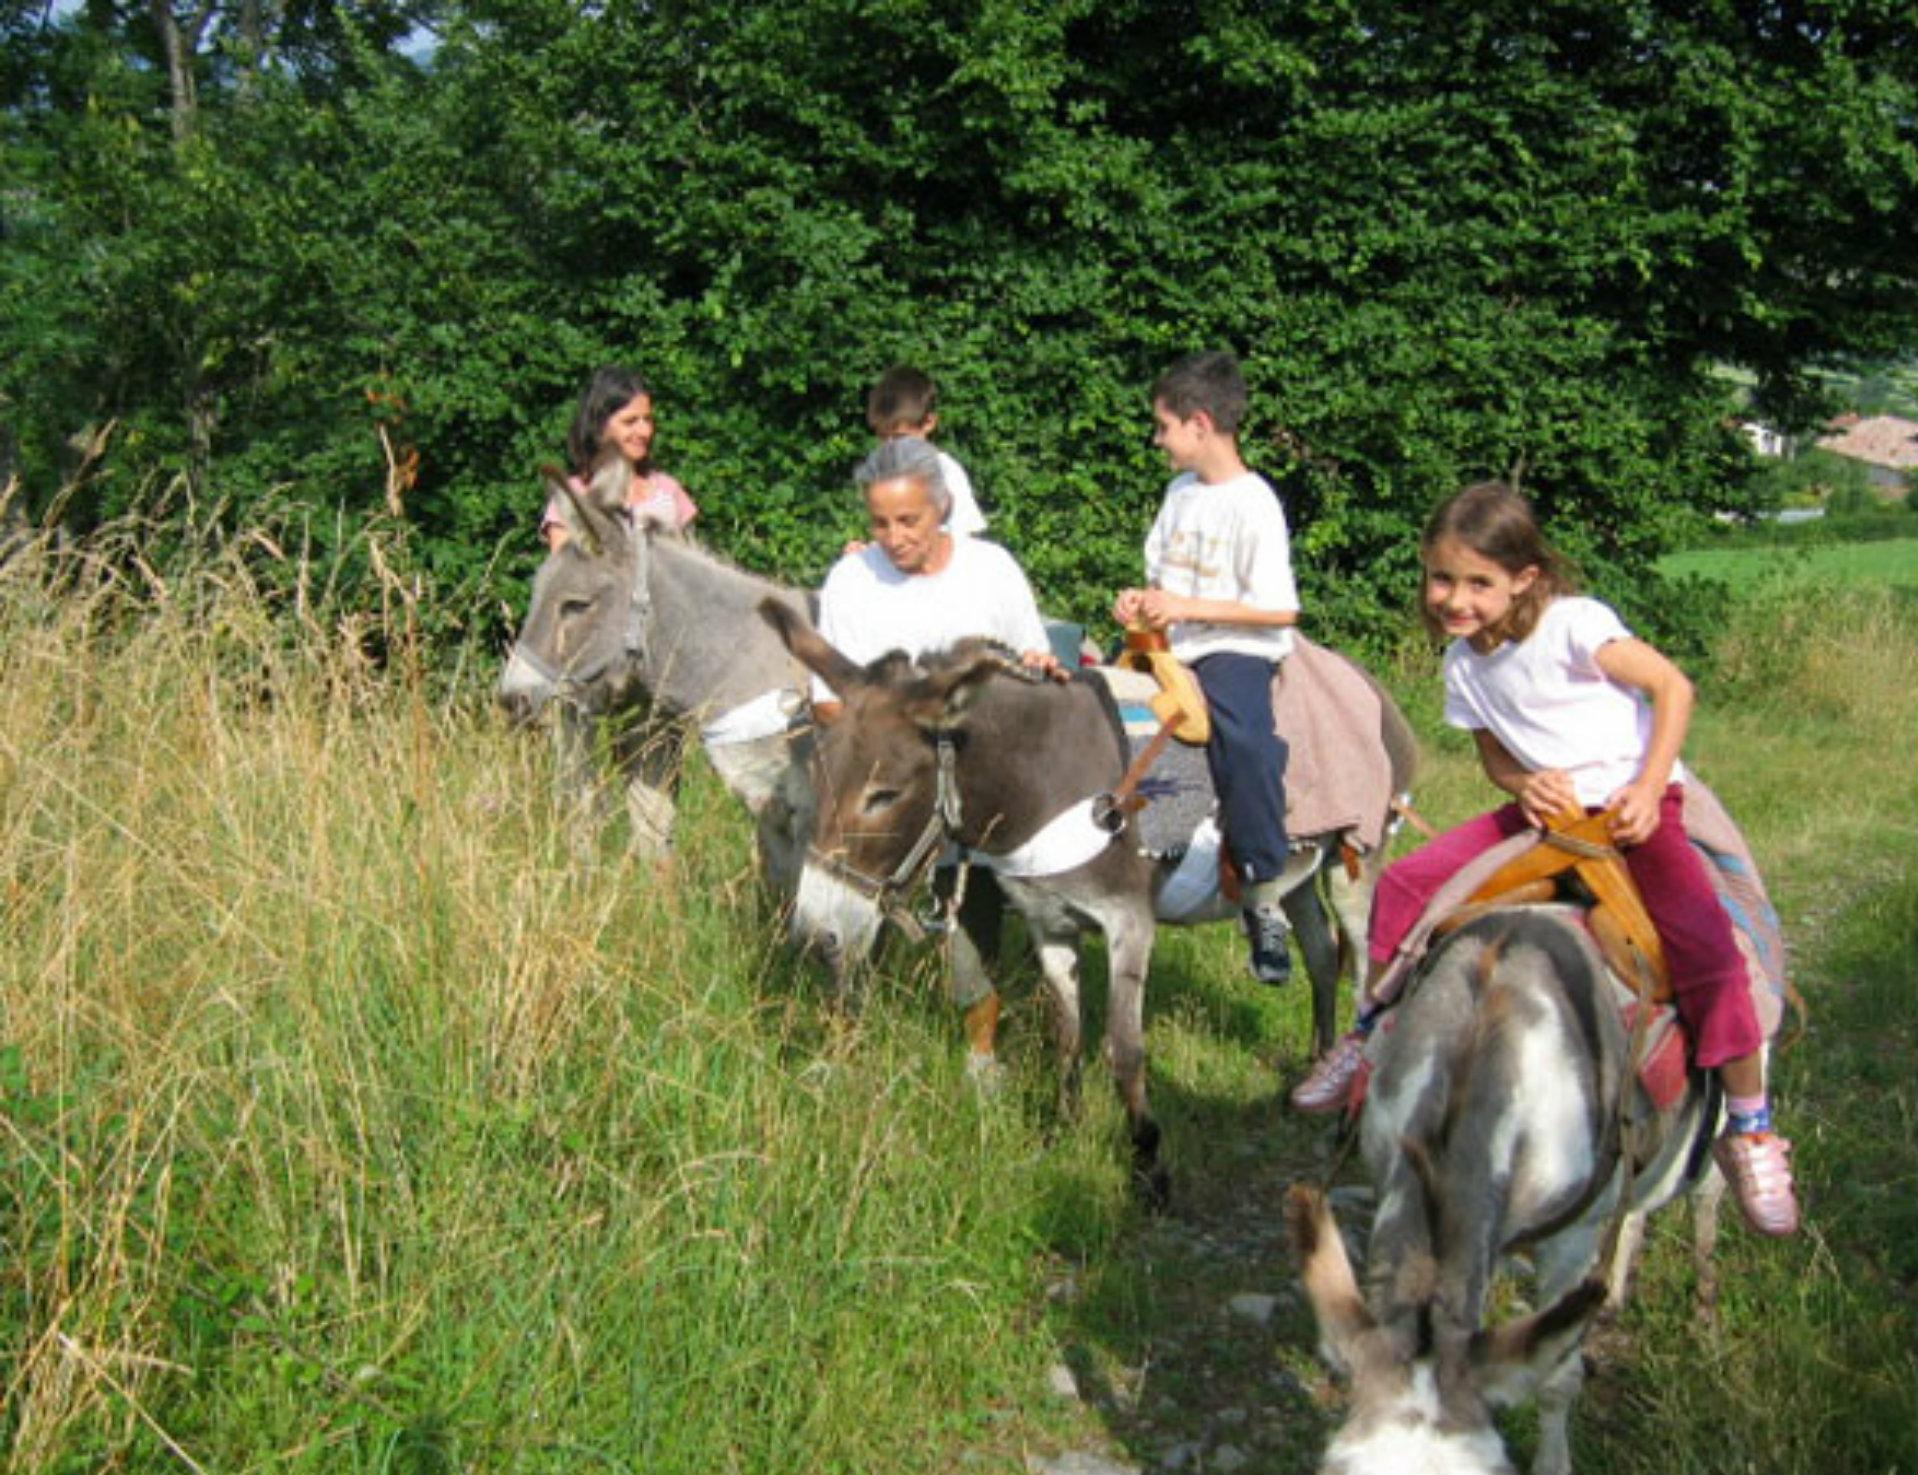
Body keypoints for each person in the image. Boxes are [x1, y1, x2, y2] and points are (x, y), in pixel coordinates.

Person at [1289, 480, 1799, 1237]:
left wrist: (1650, 781)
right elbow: (1496, 758)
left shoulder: (1573, 626)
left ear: (1524, 579)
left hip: (1629, 810)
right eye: (1440, 577)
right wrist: (1524, 784)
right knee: (1403, 882)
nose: (1454, 598)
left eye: (1477, 582)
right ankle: (1367, 1032)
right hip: (1547, 816)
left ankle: (1749, 1126)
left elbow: (1671, 685)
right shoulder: (1464, 662)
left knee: (1704, 947)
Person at [1112, 351, 1301, 986]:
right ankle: (1143, 864)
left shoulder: (1255, 503)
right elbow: (1161, 578)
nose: (1157, 439)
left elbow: (1280, 609)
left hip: (1236, 649)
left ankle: (1261, 889)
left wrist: (1186, 606)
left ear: (1199, 424)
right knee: (1107, 717)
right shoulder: (1179, 493)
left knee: (1245, 743)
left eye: (1163, 426)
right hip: (1171, 644)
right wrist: (1139, 602)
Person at [812, 436, 1052, 719]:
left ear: (942, 506)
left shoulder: (993, 569)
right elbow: (828, 704)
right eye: (880, 523)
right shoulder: (850, 581)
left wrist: (1039, 666)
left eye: (908, 521)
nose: (894, 538)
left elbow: (1033, 661)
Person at [541, 366, 696, 550]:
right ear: (599, 426)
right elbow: (565, 572)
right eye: (630, 421)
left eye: (647, 419)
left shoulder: (668, 491)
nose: (645, 431)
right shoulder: (573, 498)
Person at [866, 365, 988, 539]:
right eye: (883, 437)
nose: (892, 447)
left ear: (928, 423)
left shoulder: (946, 470)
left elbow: (968, 536)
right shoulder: (881, 471)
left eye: (900, 437)